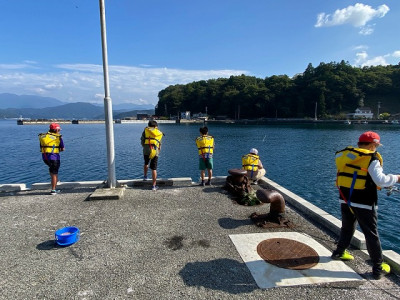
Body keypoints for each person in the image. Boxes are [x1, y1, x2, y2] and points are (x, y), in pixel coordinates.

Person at [332, 131, 400, 280]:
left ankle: (339, 252)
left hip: (345, 198)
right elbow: (380, 180)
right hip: (364, 202)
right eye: (376, 146)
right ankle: (378, 267)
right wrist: (397, 178)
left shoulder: (346, 155)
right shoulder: (372, 158)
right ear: (372, 145)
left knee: (347, 226)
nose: (376, 149)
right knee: (371, 233)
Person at [38, 123, 65, 195]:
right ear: (56, 130)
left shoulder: (42, 136)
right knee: (54, 173)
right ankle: (53, 190)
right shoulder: (58, 137)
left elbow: (42, 146)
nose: (59, 131)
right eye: (59, 130)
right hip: (54, 158)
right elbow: (62, 149)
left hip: (45, 158)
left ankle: (55, 183)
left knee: (52, 170)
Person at [141, 120, 163, 191]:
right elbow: (159, 143)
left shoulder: (145, 130)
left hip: (146, 149)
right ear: (156, 126)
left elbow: (142, 140)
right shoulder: (159, 132)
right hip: (155, 150)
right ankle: (154, 186)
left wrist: (144, 146)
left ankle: (145, 177)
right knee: (154, 168)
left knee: (146, 163)